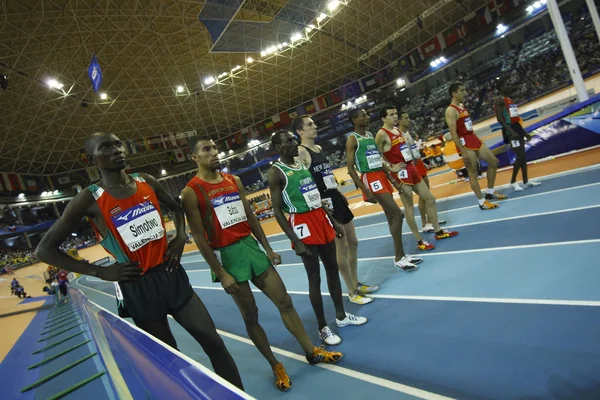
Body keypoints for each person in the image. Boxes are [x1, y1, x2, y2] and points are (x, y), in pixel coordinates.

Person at [35, 131, 244, 390]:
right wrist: (99, 272)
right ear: (92, 159)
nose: (117, 150)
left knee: (214, 343)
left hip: (170, 274)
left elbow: (177, 208)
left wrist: (179, 237)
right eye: (106, 147)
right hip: (137, 286)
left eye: (118, 144)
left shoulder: (146, 181)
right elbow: (44, 250)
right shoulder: (90, 198)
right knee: (169, 361)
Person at [181, 136, 342, 391]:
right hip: (228, 256)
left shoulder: (233, 181)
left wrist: (267, 248)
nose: (214, 152)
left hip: (251, 247)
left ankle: (311, 351)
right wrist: (220, 272)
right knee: (251, 315)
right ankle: (274, 364)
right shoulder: (191, 191)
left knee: (285, 301)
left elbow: (250, 215)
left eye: (215, 147)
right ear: (195, 157)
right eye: (206, 149)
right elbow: (199, 237)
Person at [268, 130, 368, 346]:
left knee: (332, 268)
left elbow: (316, 198)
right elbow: (277, 211)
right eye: (289, 141)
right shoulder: (276, 173)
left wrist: (333, 222)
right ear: (278, 148)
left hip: (321, 220)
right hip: (302, 224)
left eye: (294, 139)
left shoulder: (301, 165)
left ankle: (341, 316)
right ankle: (323, 327)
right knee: (315, 278)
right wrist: (296, 240)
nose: (294, 143)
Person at [294, 115, 378, 305]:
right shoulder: (301, 152)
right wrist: (319, 203)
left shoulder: (319, 149)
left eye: (314, 123)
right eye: (309, 125)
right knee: (342, 247)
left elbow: (327, 175)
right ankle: (351, 291)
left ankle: (357, 282)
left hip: (335, 197)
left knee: (353, 242)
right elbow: (303, 182)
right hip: (324, 203)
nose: (314, 126)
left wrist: (339, 192)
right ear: (300, 131)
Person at [345, 108, 421, 271]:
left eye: (366, 114)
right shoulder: (353, 139)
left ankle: (401, 255)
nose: (367, 117)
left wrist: (393, 180)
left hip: (381, 176)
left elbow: (379, 161)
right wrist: (365, 190)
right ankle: (399, 256)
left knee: (391, 217)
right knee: (398, 214)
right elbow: (350, 169)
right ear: (354, 120)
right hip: (370, 179)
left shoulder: (370, 135)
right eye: (363, 115)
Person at [376, 106, 458, 251]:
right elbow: (375, 156)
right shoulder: (381, 134)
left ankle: (438, 232)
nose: (395, 117)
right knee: (409, 208)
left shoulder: (398, 130)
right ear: (383, 118)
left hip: (411, 168)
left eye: (396, 114)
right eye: (391, 115)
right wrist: (391, 168)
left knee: (430, 199)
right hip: (401, 173)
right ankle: (419, 241)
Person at [445, 82, 507, 210]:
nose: (465, 93)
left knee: (494, 161)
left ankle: (489, 192)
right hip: (464, 143)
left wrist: (476, 138)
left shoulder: (461, 105)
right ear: (454, 93)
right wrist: (462, 151)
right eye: (462, 90)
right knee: (472, 173)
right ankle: (481, 201)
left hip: (472, 138)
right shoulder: (451, 111)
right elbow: (453, 133)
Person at [393, 110, 448, 233]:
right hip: (412, 166)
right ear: (400, 121)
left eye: (408, 117)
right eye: (406, 118)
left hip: (419, 164)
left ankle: (431, 220)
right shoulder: (399, 136)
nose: (409, 120)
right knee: (423, 197)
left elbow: (413, 150)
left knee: (427, 194)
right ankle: (425, 223)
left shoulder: (408, 133)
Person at [494, 80, 541, 192]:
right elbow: (500, 119)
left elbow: (515, 118)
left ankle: (525, 181)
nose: (509, 86)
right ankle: (513, 182)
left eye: (509, 84)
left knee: (523, 157)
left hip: (516, 127)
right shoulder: (499, 100)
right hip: (509, 130)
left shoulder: (510, 100)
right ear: (500, 87)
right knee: (520, 156)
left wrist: (523, 133)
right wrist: (510, 131)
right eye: (507, 84)